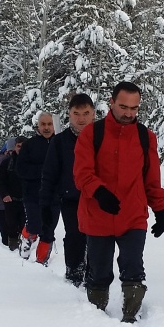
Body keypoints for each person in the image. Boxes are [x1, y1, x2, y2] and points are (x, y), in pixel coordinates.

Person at [73, 81, 164, 323]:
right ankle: (97, 319)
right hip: (97, 215)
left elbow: (152, 178)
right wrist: (100, 192)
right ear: (111, 102)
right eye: (123, 106)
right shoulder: (91, 134)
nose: (128, 113)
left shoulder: (146, 137)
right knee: (99, 272)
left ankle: (130, 317)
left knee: (133, 268)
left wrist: (159, 209)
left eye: (134, 109)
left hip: (132, 215)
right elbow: (82, 173)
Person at [41, 93, 96, 285]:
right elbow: (49, 173)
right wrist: (46, 202)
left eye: (86, 113)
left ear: (93, 114)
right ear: (69, 115)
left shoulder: (102, 138)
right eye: (76, 113)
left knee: (97, 238)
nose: (81, 118)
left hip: (98, 198)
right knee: (74, 236)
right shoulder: (60, 141)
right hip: (71, 198)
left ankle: (94, 274)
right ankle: (74, 273)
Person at [16, 112, 58, 264]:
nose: (46, 128)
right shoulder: (29, 145)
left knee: (48, 231)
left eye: (49, 124)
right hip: (33, 195)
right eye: (43, 124)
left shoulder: (60, 143)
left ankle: (41, 263)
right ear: (38, 126)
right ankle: (26, 241)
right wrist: (44, 171)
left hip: (54, 196)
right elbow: (20, 169)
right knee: (34, 226)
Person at [0, 135, 29, 251]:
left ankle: (25, 250)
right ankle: (12, 250)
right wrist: (4, 195)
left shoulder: (33, 163)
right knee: (11, 227)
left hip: (27, 201)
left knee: (26, 227)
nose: (21, 149)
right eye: (19, 146)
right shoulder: (7, 162)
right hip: (11, 201)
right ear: (15, 147)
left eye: (23, 146)